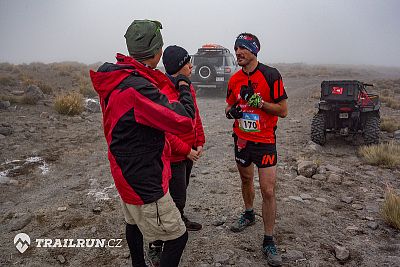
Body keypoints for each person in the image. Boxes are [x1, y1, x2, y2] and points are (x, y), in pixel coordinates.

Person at [90, 19, 195, 267]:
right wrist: (183, 85)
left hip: (124, 169)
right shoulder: (136, 88)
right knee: (178, 237)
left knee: (134, 223)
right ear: (158, 51)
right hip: (142, 176)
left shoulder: (117, 77)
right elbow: (183, 120)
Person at [225, 32, 288, 267]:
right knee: (245, 180)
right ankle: (249, 213)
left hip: (264, 141)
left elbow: (283, 110)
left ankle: (269, 240)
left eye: (242, 48)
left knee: (269, 191)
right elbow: (228, 105)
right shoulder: (234, 80)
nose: (238, 52)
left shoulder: (271, 75)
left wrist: (260, 104)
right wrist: (232, 112)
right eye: (236, 48)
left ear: (254, 51)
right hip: (242, 140)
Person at [162, 45, 206, 231]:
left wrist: (199, 141)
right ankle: (167, 232)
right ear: (179, 66)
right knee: (175, 196)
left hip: (188, 152)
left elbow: (194, 115)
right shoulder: (163, 92)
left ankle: (178, 219)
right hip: (175, 156)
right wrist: (186, 150)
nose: (192, 67)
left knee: (182, 189)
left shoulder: (186, 87)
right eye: (188, 63)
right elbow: (165, 130)